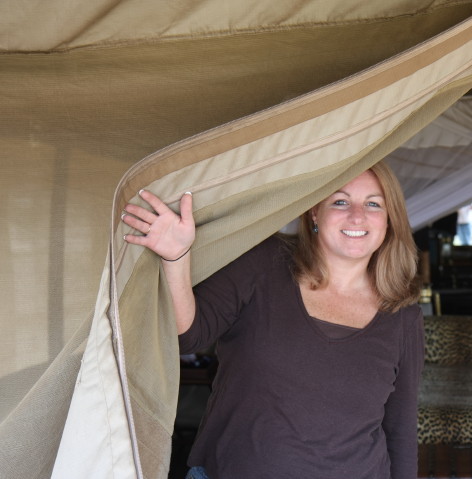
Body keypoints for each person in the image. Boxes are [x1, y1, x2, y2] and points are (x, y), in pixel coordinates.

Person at [121, 161, 424, 479]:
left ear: (389, 220)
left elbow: (400, 430)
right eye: (340, 201)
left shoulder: (403, 318)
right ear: (314, 212)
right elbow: (188, 336)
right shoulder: (263, 262)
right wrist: (175, 256)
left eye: (374, 204)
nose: (357, 216)